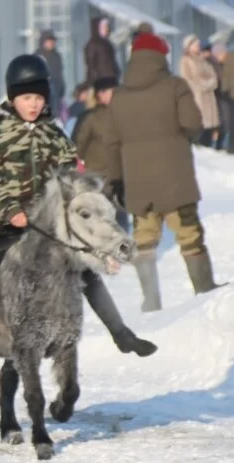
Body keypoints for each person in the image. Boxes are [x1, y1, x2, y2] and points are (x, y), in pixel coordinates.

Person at [0, 54, 155, 414]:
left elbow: (74, 176)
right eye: (26, 97)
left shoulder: (54, 135)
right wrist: (9, 210)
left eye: (38, 97)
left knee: (84, 271)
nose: (33, 104)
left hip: (45, 228)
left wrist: (92, 200)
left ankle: (121, 333)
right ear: (12, 98)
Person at [109, 31, 226, 311]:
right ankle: (205, 292)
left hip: (139, 185)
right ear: (161, 56)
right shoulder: (175, 86)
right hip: (176, 182)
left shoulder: (119, 96)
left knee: (145, 241)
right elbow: (194, 124)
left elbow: (111, 142)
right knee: (189, 236)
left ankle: (151, 303)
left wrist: (116, 180)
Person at [72, 76, 125, 229]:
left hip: (120, 177)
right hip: (96, 178)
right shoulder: (90, 117)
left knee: (119, 221)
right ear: (99, 95)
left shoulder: (127, 115)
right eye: (109, 91)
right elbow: (77, 146)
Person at [180, 35, 220, 147]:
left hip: (209, 98)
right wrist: (205, 84)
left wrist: (210, 82)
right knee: (200, 125)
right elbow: (189, 79)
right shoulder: (186, 61)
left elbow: (213, 76)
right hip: (197, 97)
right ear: (189, 47)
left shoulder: (203, 60)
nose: (198, 47)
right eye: (196, 45)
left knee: (209, 129)